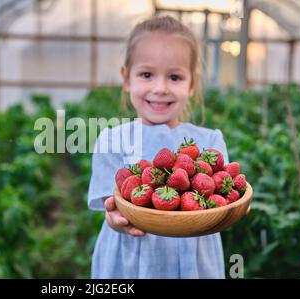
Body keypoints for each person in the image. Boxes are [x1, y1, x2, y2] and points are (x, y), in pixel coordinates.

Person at [87, 16, 229, 278]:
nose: (160, 88)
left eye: (174, 77)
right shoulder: (111, 140)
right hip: (130, 261)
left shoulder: (209, 142)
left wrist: (232, 208)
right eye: (147, 74)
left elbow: (220, 202)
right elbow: (111, 207)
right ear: (126, 78)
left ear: (192, 84)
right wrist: (116, 220)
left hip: (194, 261)